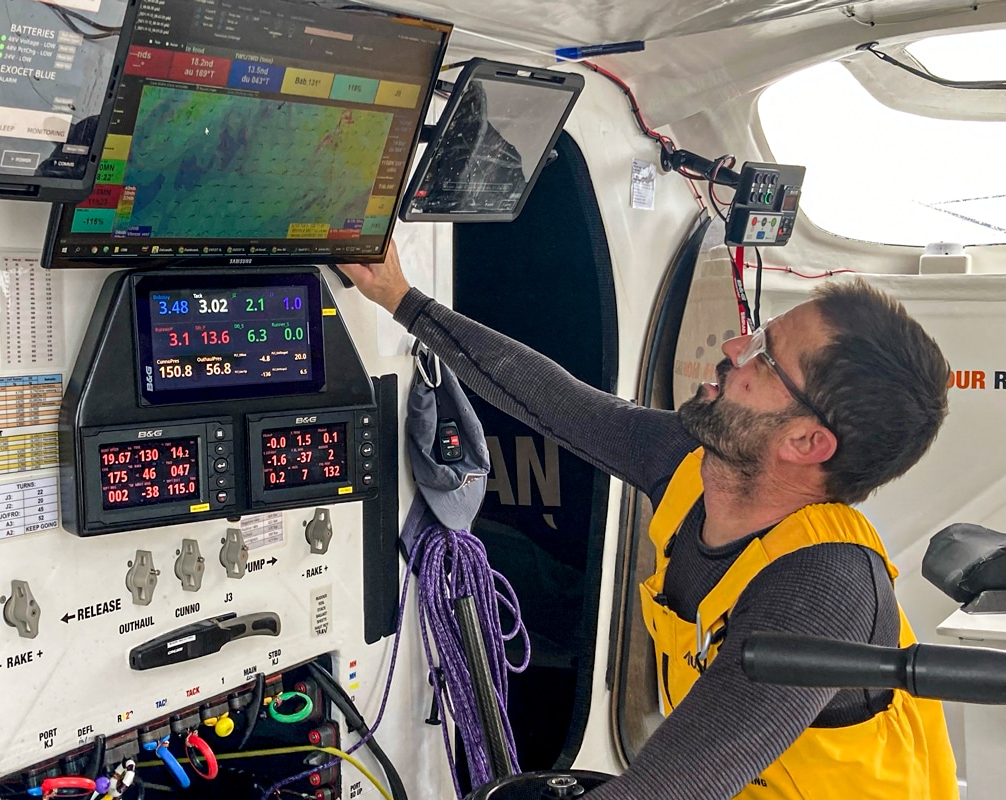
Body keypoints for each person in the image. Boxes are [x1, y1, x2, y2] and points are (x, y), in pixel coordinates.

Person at [339, 242, 959, 799]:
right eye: (757, 331)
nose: (734, 347)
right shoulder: (696, 469)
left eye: (764, 358)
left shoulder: (822, 590)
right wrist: (402, 300)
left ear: (804, 442)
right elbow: (556, 402)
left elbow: (673, 786)